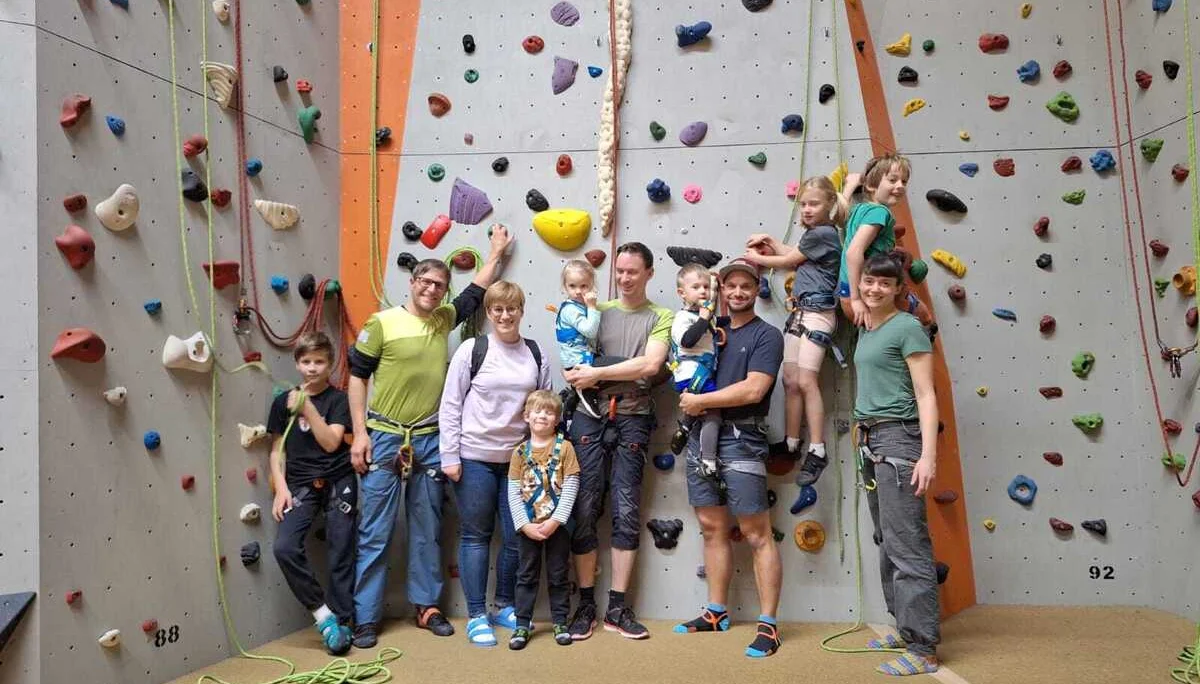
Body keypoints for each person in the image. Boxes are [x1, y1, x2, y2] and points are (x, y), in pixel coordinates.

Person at [347, 226, 513, 648]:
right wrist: (359, 435)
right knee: (375, 530)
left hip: (428, 438)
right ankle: (365, 617)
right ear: (413, 282)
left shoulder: (443, 321)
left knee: (427, 527)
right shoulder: (382, 323)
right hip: (384, 437)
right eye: (426, 282)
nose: (432, 289)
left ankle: (426, 607)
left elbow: (477, 289)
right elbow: (356, 378)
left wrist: (495, 251)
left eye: (439, 285)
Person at [673, 258, 785, 659]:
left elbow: (754, 390)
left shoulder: (767, 335)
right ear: (721, 289)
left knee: (757, 533)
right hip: (702, 436)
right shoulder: (708, 329)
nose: (738, 292)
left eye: (746, 287)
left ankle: (769, 625)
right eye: (731, 286)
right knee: (711, 527)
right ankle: (717, 612)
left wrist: (699, 400)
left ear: (756, 291)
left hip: (742, 438)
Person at [561, 241, 673, 640]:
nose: (624, 278)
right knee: (585, 508)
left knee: (626, 511)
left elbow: (652, 364)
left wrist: (598, 373)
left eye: (632, 272)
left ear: (649, 273)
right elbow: (571, 360)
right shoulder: (595, 312)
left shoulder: (661, 316)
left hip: (633, 420)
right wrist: (589, 375)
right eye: (619, 272)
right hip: (587, 417)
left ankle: (618, 609)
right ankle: (586, 604)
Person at [438, 281, 551, 647]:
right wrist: (449, 456)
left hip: (518, 463)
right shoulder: (474, 349)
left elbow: (544, 408)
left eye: (512, 308)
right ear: (488, 312)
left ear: (521, 310)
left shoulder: (536, 353)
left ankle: (503, 605)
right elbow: (451, 404)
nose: (505, 315)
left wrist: (542, 458)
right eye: (497, 309)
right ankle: (475, 615)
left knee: (517, 537)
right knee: (476, 537)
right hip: (474, 460)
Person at [852, 252, 940, 676]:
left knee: (908, 546)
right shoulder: (867, 329)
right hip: (869, 441)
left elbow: (926, 395)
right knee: (887, 540)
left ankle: (923, 649)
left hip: (899, 441)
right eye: (869, 281)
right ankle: (905, 630)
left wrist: (928, 455)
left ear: (898, 289)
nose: (874, 289)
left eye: (884, 284)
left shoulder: (907, 327)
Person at [743, 175, 846, 486]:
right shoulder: (815, 237)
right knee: (790, 379)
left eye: (814, 203)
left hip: (817, 314)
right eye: (803, 204)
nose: (807, 209)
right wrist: (773, 242)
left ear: (830, 204)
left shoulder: (825, 232)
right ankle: (791, 443)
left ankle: (817, 448)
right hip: (801, 313)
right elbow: (797, 256)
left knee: (806, 379)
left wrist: (756, 258)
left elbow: (790, 260)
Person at [267, 332, 356, 655]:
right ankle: (324, 616)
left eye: (319, 362)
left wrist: (308, 411)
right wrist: (281, 489)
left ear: (330, 364)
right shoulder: (282, 402)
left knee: (341, 549)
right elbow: (277, 451)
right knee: (284, 547)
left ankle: (344, 623)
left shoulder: (339, 400)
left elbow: (331, 443)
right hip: (301, 484)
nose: (312, 368)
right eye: (306, 362)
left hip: (338, 481)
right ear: (297, 363)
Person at [506, 390, 580, 650]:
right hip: (527, 525)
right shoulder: (519, 452)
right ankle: (522, 624)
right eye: (537, 411)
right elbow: (513, 489)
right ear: (527, 416)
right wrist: (524, 524)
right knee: (526, 575)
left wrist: (556, 520)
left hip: (557, 526)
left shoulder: (565, 448)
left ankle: (560, 621)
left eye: (549, 412)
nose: (542, 416)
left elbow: (572, 484)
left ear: (557, 419)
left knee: (559, 574)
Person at [837, 153, 933, 332]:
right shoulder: (880, 213)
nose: (900, 186)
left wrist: (850, 185)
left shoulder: (859, 209)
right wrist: (857, 299)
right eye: (892, 180)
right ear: (872, 185)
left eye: (904, 182)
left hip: (848, 293)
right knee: (925, 317)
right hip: (866, 296)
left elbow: (840, 215)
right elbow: (853, 252)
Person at [668, 263, 723, 479]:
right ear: (682, 293)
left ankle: (685, 427)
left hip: (700, 371)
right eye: (696, 287)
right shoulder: (683, 317)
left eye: (705, 288)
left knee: (700, 409)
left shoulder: (705, 315)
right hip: (692, 373)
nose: (703, 291)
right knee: (714, 413)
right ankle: (708, 459)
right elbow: (687, 341)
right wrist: (703, 319)